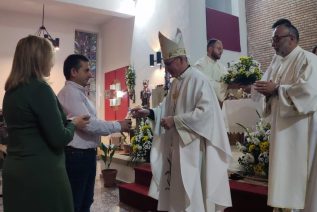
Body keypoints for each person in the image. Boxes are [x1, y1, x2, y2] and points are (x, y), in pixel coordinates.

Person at [131, 29, 232, 212]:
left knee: (192, 193)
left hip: (192, 149)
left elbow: (206, 113)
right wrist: (150, 112)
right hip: (175, 147)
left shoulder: (199, 80)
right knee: (176, 192)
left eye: (169, 64)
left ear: (181, 59)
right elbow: (166, 109)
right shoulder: (177, 82)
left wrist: (176, 121)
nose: (167, 69)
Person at [2, 35, 90, 212]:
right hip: (41, 173)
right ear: (39, 58)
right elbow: (59, 138)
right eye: (50, 57)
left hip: (14, 170)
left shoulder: (10, 92)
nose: (52, 63)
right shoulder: (40, 89)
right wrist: (75, 123)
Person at [254, 18, 317, 211]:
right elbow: (266, 89)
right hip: (281, 128)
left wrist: (276, 89)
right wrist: (264, 90)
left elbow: (308, 92)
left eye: (276, 39)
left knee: (298, 175)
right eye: (272, 40)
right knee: (282, 170)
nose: (273, 44)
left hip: (300, 128)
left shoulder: (309, 59)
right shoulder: (277, 63)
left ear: (291, 38)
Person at [57, 54, 132, 212]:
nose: (90, 74)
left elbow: (92, 121)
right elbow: (89, 125)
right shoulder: (70, 93)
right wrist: (118, 125)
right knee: (77, 202)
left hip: (84, 155)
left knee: (85, 200)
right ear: (73, 72)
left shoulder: (79, 93)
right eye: (87, 70)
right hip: (77, 155)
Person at [194, 38, 228, 103]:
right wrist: (226, 86)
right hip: (205, 103)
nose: (221, 51)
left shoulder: (221, 67)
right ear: (210, 49)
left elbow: (228, 80)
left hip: (221, 104)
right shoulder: (200, 65)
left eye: (222, 49)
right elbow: (207, 84)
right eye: (219, 48)